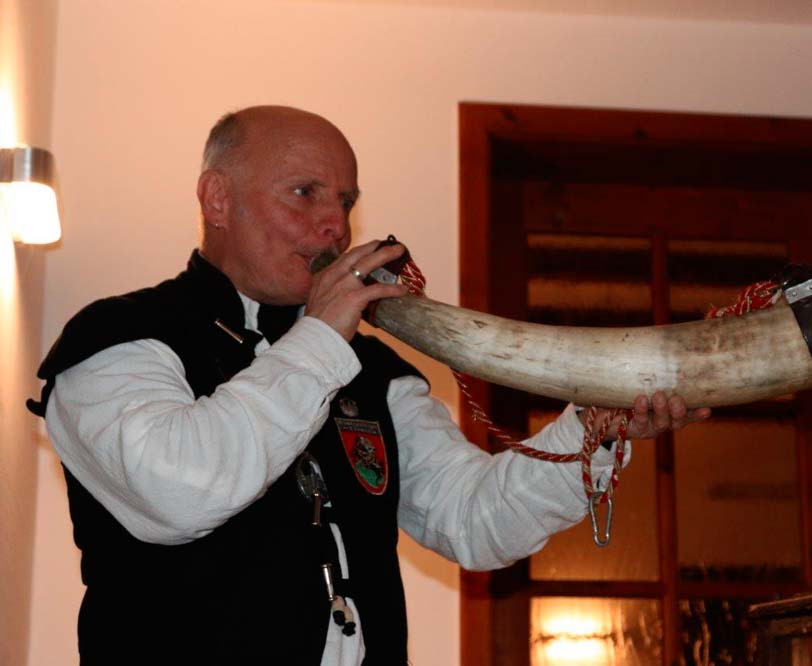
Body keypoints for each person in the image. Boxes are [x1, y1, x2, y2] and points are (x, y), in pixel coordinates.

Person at [30, 106, 710, 665]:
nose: (336, 224)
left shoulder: (370, 370)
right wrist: (322, 339)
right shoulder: (118, 337)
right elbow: (179, 490)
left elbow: (472, 518)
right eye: (305, 193)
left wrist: (591, 429)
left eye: (346, 200)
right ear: (217, 198)